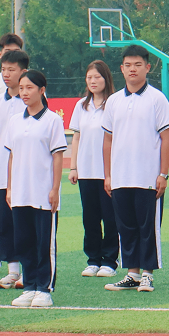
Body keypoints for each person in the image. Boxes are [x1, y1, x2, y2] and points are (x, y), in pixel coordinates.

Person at [103, 45, 169, 292]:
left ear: (147, 67)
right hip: (121, 177)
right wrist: (108, 175)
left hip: (148, 178)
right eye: (128, 65)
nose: (132, 69)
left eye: (138, 65)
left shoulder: (157, 98)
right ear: (121, 69)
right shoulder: (113, 101)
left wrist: (163, 174)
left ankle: (147, 274)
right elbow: (108, 139)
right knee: (126, 226)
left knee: (148, 227)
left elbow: (167, 137)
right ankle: (131, 273)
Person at [2, 69, 66, 308]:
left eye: (30, 88)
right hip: (20, 193)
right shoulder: (14, 121)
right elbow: (11, 156)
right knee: (24, 241)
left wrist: (55, 188)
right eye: (21, 88)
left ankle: (44, 289)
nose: (25, 93)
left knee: (43, 243)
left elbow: (58, 156)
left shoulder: (53, 120)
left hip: (43, 192)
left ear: (42, 90)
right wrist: (9, 188)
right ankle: (29, 287)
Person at [68, 59, 119, 277]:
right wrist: (73, 167)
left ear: (106, 78)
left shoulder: (114, 104)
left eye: (97, 76)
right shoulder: (81, 106)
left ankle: (110, 261)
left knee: (110, 217)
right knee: (90, 218)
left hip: (108, 172)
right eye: (89, 77)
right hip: (86, 171)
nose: (93, 81)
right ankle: (93, 259)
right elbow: (76, 138)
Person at [0, 45, 31, 288]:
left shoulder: (31, 99)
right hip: (2, 172)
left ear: (23, 71)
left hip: (24, 173)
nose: (6, 74)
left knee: (24, 222)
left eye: (11, 70)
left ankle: (28, 269)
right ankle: (12, 271)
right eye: (3, 69)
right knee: (4, 223)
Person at [0, 33, 25, 98]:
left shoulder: (34, 82)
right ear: (0, 54)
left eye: (16, 51)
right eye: (8, 52)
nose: (12, 55)